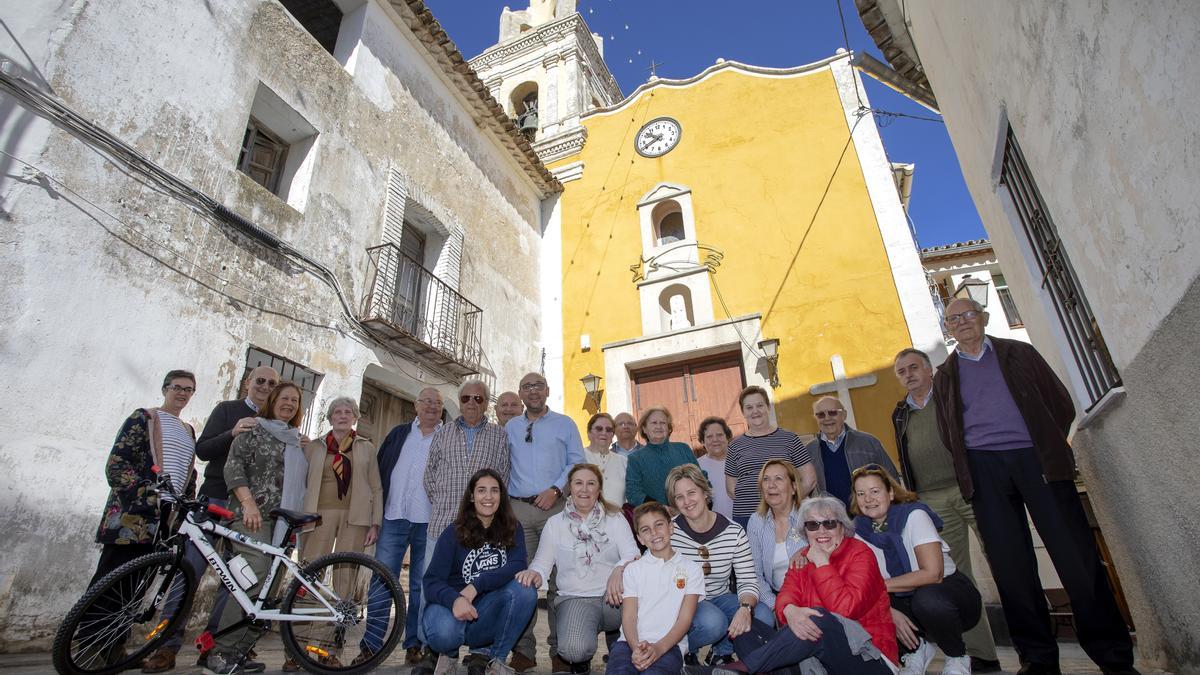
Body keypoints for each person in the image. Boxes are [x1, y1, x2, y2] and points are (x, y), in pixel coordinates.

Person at [932, 298, 1136, 675]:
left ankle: (1113, 657)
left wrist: (1045, 443)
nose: (961, 323)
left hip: (1036, 460)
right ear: (948, 328)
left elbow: (1060, 404)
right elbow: (949, 431)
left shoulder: (1018, 352)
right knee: (1011, 569)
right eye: (953, 319)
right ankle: (1038, 659)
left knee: (1077, 559)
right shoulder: (945, 374)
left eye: (968, 315)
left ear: (984, 318)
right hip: (984, 470)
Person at [892, 347, 1000, 672]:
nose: (908, 374)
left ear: (929, 370)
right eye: (902, 371)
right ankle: (982, 653)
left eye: (914, 367)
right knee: (956, 576)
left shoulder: (950, 398)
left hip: (970, 490)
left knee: (1004, 563)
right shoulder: (900, 414)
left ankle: (1034, 652)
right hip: (932, 500)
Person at [87, 371, 197, 672]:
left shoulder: (189, 431)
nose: (183, 394)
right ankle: (88, 645)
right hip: (133, 516)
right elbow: (117, 463)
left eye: (189, 390)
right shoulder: (145, 418)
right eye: (177, 388)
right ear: (165, 389)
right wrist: (146, 494)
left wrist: (186, 503)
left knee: (136, 589)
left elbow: (188, 474)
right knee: (110, 581)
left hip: (165, 519)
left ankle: (114, 647)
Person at [725, 496, 897, 674]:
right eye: (813, 525)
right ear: (805, 531)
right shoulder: (802, 558)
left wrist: (823, 565)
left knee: (818, 619)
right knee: (744, 625)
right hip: (814, 660)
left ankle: (743, 669)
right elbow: (786, 596)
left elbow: (845, 612)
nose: (821, 531)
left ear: (842, 527)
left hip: (868, 655)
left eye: (829, 523)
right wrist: (789, 610)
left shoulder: (860, 554)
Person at [206, 381, 308, 675]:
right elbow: (233, 465)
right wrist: (248, 503)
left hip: (283, 523)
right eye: (284, 398)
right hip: (251, 516)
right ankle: (220, 651)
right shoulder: (254, 428)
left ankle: (240, 651)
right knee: (255, 574)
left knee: (270, 589)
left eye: (294, 400)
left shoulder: (295, 439)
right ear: (273, 400)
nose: (289, 403)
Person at [413, 380, 511, 675]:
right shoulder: (443, 434)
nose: (471, 402)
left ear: (486, 402)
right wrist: (447, 504)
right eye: (466, 397)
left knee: (481, 586)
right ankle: (431, 648)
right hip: (443, 523)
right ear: (459, 400)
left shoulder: (498, 436)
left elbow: (502, 477)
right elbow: (430, 476)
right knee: (431, 586)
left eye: (478, 398)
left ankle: (480, 652)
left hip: (484, 530)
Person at [851, 465, 982, 675]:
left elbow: (933, 574)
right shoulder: (859, 531)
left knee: (927, 598)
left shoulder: (914, 516)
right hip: (902, 599)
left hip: (950, 595)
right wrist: (889, 610)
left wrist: (880, 588)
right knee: (865, 603)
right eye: (861, 494)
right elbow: (863, 582)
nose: (868, 499)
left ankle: (957, 657)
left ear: (891, 492)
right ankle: (914, 651)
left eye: (875, 491)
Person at [191, 366, 278, 672]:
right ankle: (165, 646)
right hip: (217, 499)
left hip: (246, 510)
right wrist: (231, 433)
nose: (265, 386)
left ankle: (217, 646)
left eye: (272, 383)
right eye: (260, 381)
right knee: (190, 572)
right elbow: (202, 450)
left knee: (236, 581)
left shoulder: (272, 423)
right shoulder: (228, 411)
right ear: (247, 384)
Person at [516, 464, 639, 673]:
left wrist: (619, 569)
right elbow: (542, 562)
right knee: (573, 650)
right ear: (569, 488)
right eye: (578, 483)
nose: (584, 489)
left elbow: (633, 554)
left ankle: (620, 645)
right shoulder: (555, 523)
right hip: (576, 597)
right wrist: (533, 573)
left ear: (599, 489)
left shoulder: (615, 518)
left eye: (591, 483)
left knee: (641, 610)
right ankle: (583, 657)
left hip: (614, 599)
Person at [356, 387, 444, 666]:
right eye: (426, 401)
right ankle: (371, 646)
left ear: (442, 409)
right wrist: (375, 515)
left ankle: (414, 645)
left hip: (430, 522)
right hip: (393, 517)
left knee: (421, 586)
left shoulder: (447, 437)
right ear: (416, 406)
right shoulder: (398, 433)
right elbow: (379, 473)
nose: (431, 406)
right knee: (382, 581)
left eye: (437, 403)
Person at [293, 397, 382, 669]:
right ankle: (295, 648)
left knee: (344, 586)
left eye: (348, 412)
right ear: (330, 417)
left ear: (354, 417)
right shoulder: (314, 447)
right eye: (337, 412)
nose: (342, 416)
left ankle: (327, 650)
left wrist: (374, 523)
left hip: (354, 520)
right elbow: (301, 481)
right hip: (317, 518)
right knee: (308, 580)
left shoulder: (366, 447)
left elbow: (376, 487)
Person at [505, 372, 585, 673]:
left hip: (557, 510)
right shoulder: (510, 427)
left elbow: (577, 461)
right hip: (519, 511)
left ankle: (560, 652)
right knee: (523, 582)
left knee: (559, 583)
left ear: (547, 391)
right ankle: (523, 651)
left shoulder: (565, 424)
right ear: (520, 394)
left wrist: (555, 490)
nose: (533, 391)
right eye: (527, 387)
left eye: (538, 386)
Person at [423, 468, 537, 675]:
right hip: (451, 609)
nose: (488, 496)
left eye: (495, 491)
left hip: (485, 612)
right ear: (472, 497)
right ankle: (447, 654)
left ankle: (496, 660)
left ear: (501, 497)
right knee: (444, 633)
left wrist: (476, 585)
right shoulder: (453, 532)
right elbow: (431, 582)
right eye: (481, 490)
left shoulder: (513, 528)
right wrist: (455, 599)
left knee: (525, 590)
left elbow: (517, 565)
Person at [666, 464, 758, 666]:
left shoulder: (733, 531)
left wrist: (745, 608)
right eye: (679, 497)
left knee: (761, 616)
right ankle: (676, 648)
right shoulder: (669, 532)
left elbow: (747, 579)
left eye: (692, 493)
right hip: (686, 602)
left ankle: (721, 653)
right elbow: (649, 566)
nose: (687, 501)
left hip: (721, 596)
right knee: (713, 622)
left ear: (705, 492)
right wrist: (622, 567)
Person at [605, 503, 704, 675]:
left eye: (659, 525)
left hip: (669, 645)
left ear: (670, 527)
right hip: (629, 643)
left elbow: (685, 619)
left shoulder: (692, 569)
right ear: (640, 539)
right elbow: (629, 616)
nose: (654, 533)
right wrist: (636, 647)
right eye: (645, 529)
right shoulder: (633, 570)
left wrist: (658, 648)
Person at [725, 386, 816, 530]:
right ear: (743, 412)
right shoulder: (734, 446)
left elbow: (809, 479)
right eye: (749, 407)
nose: (755, 411)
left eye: (760, 405)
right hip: (746, 516)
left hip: (785, 515)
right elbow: (731, 489)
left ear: (768, 407)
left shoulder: (790, 439)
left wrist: (787, 502)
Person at [804, 395, 899, 508]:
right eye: (820, 415)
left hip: (868, 514)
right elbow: (804, 490)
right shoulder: (809, 450)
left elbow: (892, 479)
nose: (827, 418)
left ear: (844, 415)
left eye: (833, 412)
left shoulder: (868, 442)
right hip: (832, 519)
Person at [745, 460, 807, 627]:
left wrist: (807, 551)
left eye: (779, 478)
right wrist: (775, 606)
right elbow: (754, 573)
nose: (771, 485)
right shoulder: (756, 522)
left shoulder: (810, 515)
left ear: (793, 487)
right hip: (776, 596)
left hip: (812, 593)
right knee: (757, 621)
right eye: (766, 479)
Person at [624, 407, 697, 505]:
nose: (658, 426)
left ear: (669, 428)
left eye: (663, 423)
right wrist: (659, 508)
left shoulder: (683, 449)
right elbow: (633, 492)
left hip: (691, 510)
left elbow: (700, 478)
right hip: (658, 516)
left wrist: (706, 503)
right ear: (644, 429)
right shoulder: (635, 459)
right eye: (654, 423)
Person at [583, 412, 628, 506]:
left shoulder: (623, 461)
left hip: (617, 518)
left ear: (613, 435)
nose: (604, 433)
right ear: (589, 433)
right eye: (599, 429)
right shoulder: (579, 458)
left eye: (609, 430)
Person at [696, 417, 734, 520]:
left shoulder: (740, 461)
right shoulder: (697, 467)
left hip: (744, 522)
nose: (715, 440)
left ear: (728, 437)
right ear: (702, 441)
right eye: (709, 437)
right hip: (713, 527)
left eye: (719, 435)